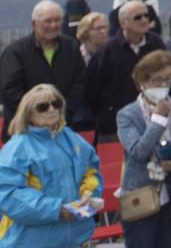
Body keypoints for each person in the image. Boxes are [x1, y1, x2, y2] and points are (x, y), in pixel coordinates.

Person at [115, 49, 171, 248]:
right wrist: (159, 120)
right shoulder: (127, 115)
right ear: (142, 82)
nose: (163, 86)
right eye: (157, 80)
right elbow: (138, 152)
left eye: (167, 80)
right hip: (140, 196)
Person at [0, 82, 102, 248]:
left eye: (56, 103)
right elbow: (8, 194)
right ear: (28, 113)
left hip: (76, 239)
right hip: (30, 242)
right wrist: (56, 209)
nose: (51, 109)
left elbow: (91, 172)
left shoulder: (73, 139)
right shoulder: (17, 148)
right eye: (42, 106)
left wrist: (88, 194)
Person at [82, 2, 171, 145]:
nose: (144, 20)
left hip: (155, 121)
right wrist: (108, 111)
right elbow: (91, 88)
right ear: (123, 23)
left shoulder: (156, 43)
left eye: (146, 15)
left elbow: (168, 74)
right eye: (138, 17)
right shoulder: (107, 52)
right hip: (115, 128)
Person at [2, 3, 87, 134]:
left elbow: (79, 82)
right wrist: (40, 114)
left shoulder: (71, 47)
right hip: (24, 131)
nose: (53, 25)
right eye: (47, 21)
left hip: (62, 128)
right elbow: (9, 91)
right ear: (33, 24)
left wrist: (61, 113)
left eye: (57, 20)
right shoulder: (15, 52)